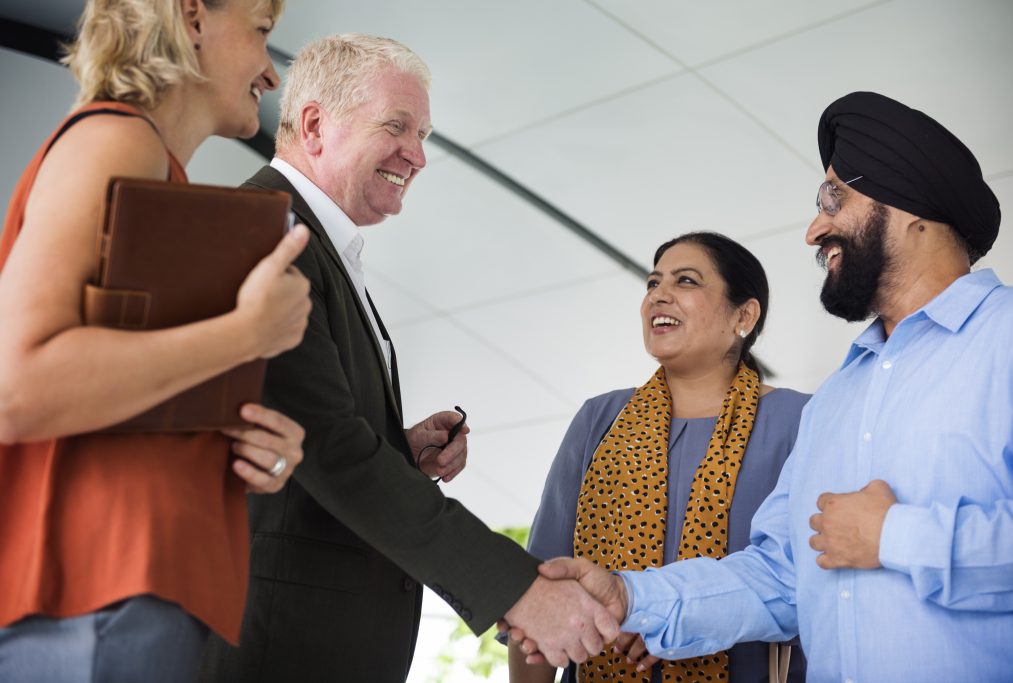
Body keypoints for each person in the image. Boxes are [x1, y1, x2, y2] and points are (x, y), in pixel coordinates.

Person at [516, 91, 1013, 682]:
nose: (814, 230)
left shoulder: (1010, 339)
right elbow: (780, 576)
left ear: (911, 210)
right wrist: (629, 598)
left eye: (835, 200)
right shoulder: (839, 395)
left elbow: (869, 542)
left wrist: (897, 536)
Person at [198, 33, 617, 682]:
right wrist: (517, 588)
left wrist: (396, 446)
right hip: (280, 648)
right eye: (396, 126)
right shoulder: (264, 229)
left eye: (422, 134)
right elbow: (332, 450)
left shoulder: (312, 241)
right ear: (314, 124)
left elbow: (318, 431)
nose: (417, 155)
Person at [0, 1, 314, 681]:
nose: (269, 71)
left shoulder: (157, 176)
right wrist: (244, 333)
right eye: (261, 32)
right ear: (192, 16)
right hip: (96, 595)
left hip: (123, 594)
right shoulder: (118, 138)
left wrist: (240, 444)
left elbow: (110, 395)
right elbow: (17, 385)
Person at [509, 232, 809, 683]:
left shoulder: (798, 420)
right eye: (652, 284)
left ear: (743, 315)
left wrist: (671, 617)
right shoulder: (601, 419)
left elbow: (814, 586)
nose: (659, 297)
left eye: (685, 281)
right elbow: (541, 585)